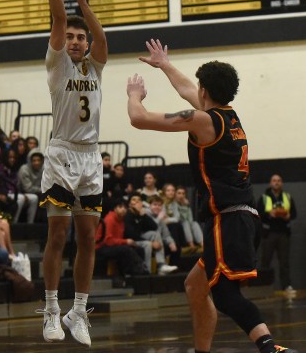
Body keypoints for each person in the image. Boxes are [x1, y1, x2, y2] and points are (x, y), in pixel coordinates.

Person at [127, 38, 297, 353]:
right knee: (195, 286)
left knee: (225, 295)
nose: (196, 90)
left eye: (200, 87)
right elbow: (188, 89)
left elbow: (139, 118)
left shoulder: (203, 121)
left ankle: (272, 348)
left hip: (227, 220)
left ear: (206, 91)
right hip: (242, 217)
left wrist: (134, 96)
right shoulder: (229, 117)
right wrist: (165, 65)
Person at [25, 0, 107, 346]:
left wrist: (86, 6)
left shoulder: (96, 65)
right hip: (61, 154)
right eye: (70, 37)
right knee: (58, 234)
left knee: (88, 237)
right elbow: (59, 19)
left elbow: (102, 38)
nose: (74, 41)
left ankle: (79, 311)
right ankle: (52, 310)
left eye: (80, 37)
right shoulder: (57, 65)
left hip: (91, 158)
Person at [256, 174, 297, 296]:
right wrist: (270, 214)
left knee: (284, 262)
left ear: (282, 183)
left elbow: (294, 213)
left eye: (279, 180)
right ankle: (264, 287)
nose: (276, 183)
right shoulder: (264, 197)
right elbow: (258, 214)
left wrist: (288, 216)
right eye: (274, 180)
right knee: (266, 261)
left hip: (283, 233)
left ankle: (286, 286)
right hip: (269, 234)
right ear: (270, 183)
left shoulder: (287, 196)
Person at [124, 194, 178, 274]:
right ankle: (147, 271)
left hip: (145, 237)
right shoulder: (128, 215)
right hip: (132, 239)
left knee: (155, 234)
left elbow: (154, 227)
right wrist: (152, 243)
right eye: (134, 200)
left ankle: (161, 266)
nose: (137, 202)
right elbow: (132, 234)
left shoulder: (141, 213)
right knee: (148, 244)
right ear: (129, 204)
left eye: (139, 201)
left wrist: (144, 215)